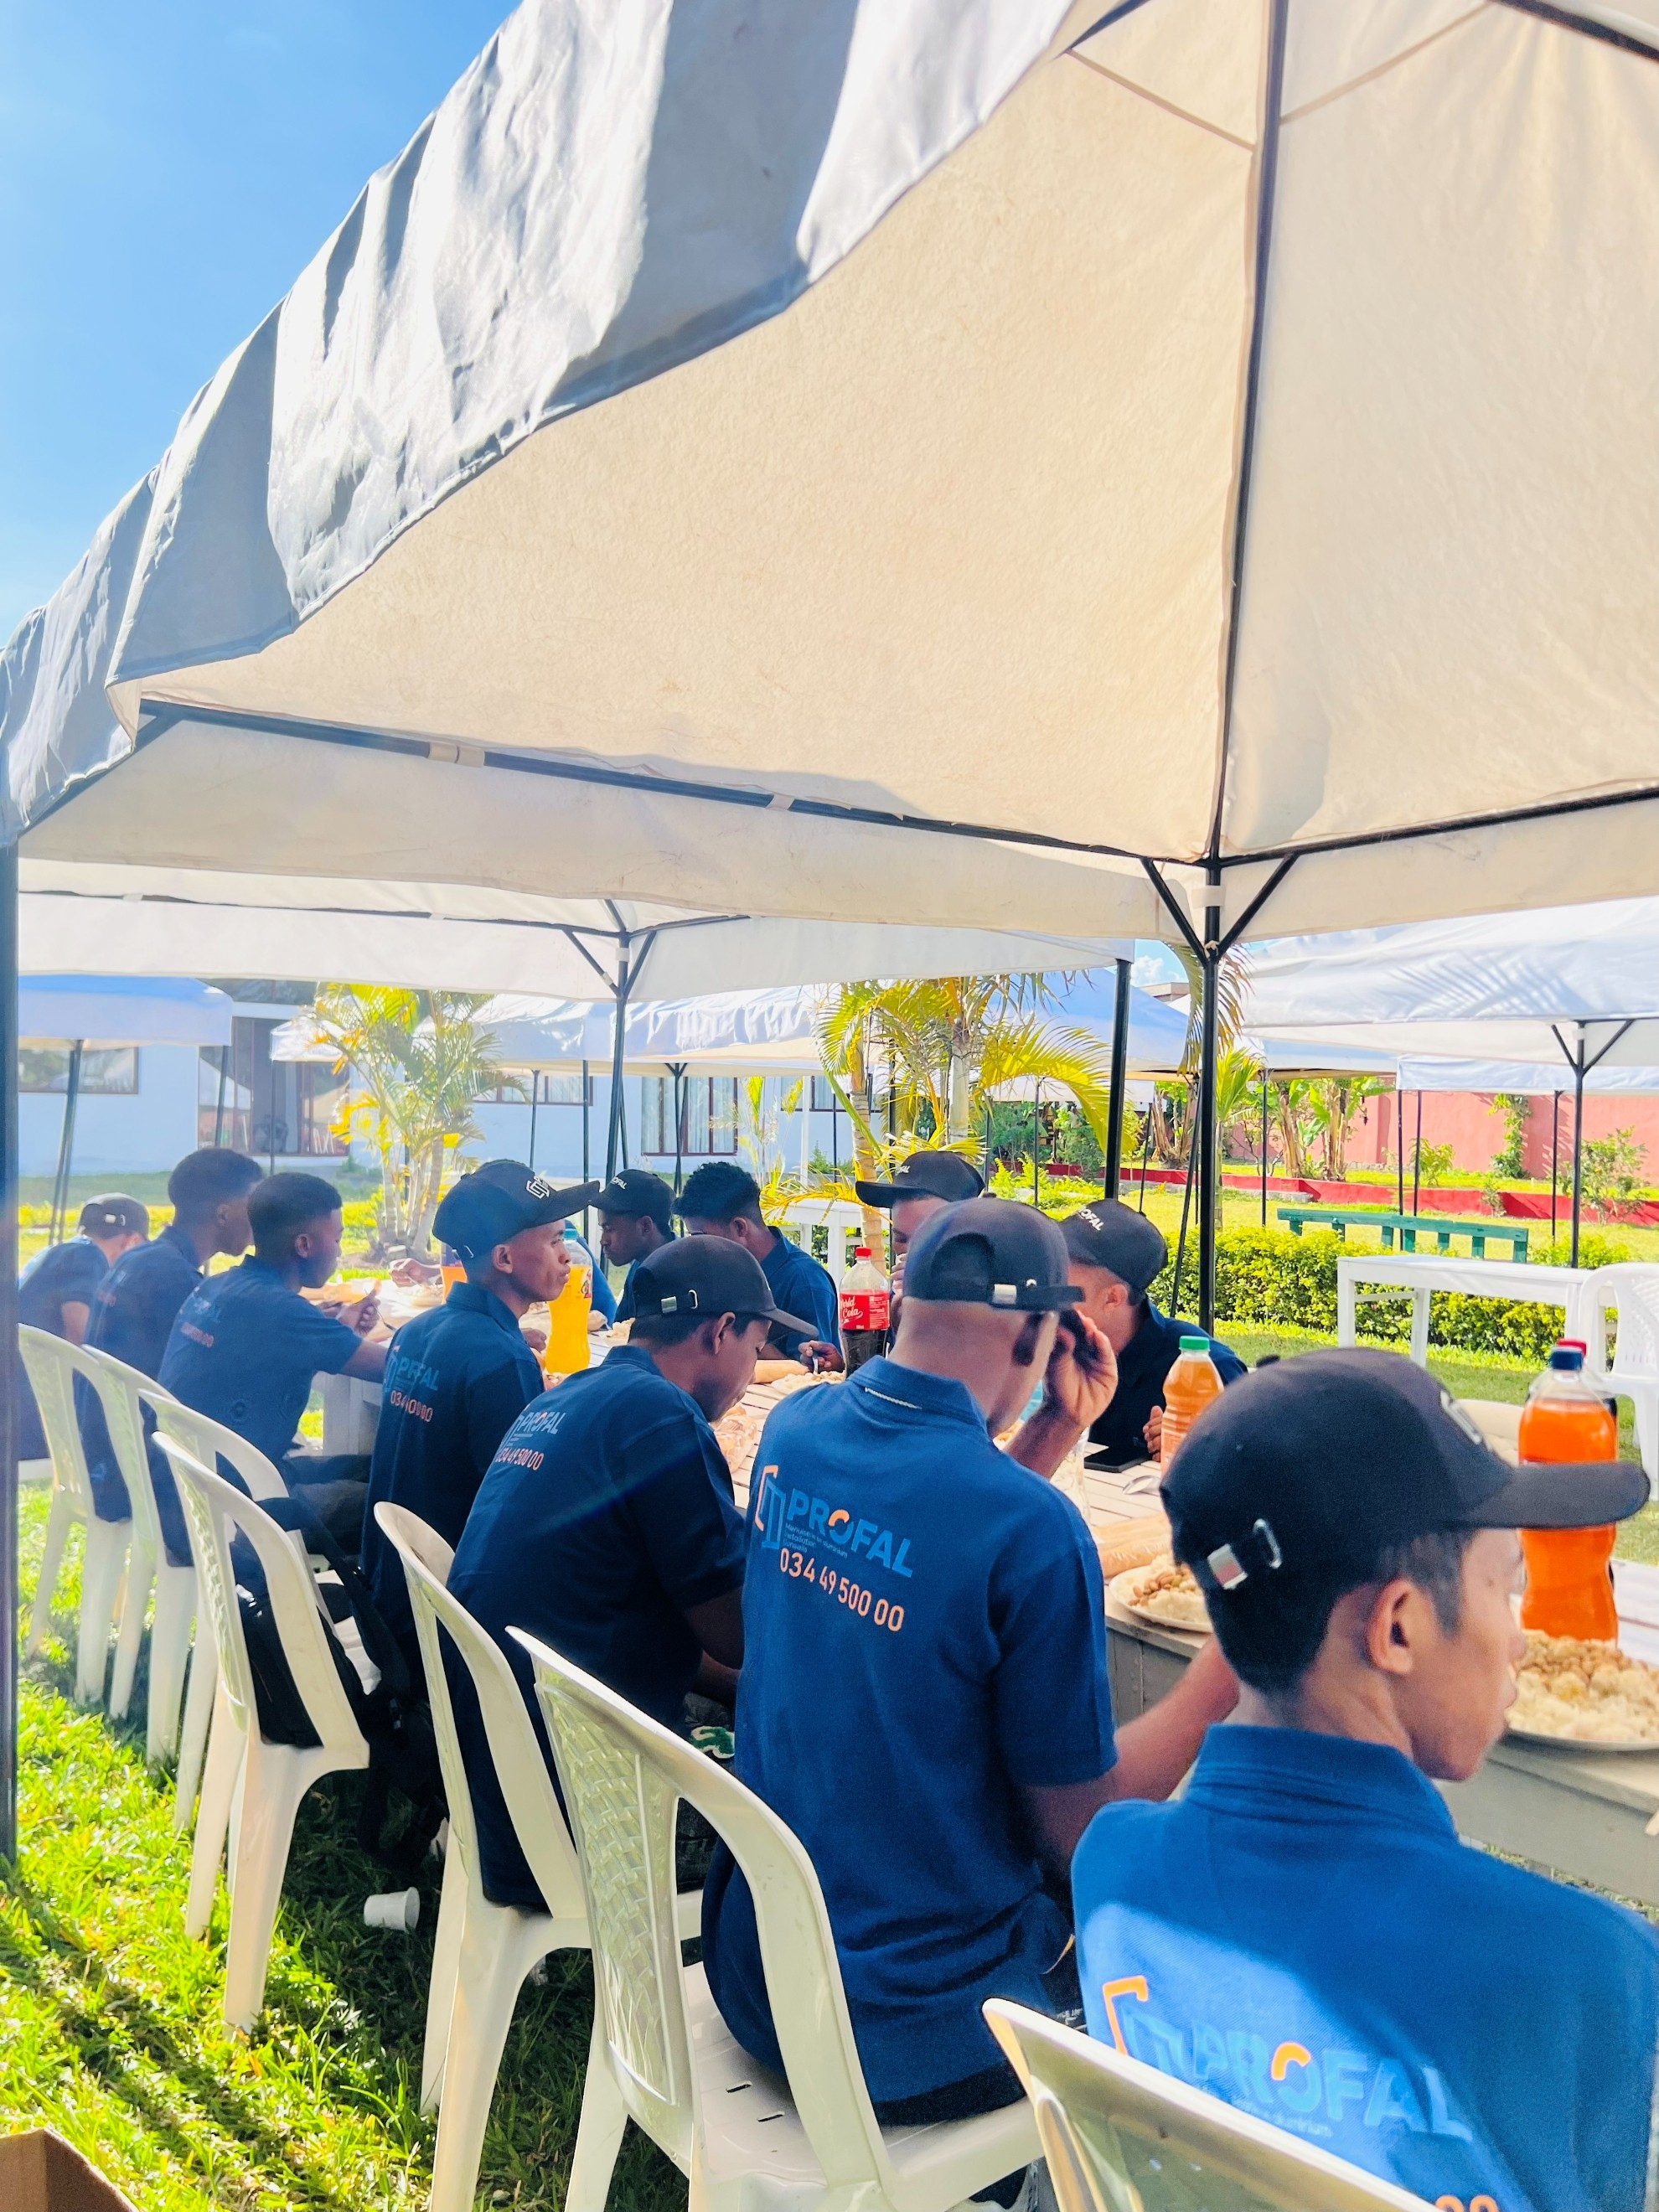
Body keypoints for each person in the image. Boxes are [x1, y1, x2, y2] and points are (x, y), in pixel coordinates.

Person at [702, 1197, 1237, 2179]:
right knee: (1193, 1928)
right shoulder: (1032, 1535)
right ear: (1040, 1335)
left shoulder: (798, 1429)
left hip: (757, 1967)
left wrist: (1050, 1433)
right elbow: (1082, 1839)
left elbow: (930, 1550)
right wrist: (1225, 1670)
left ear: (902, 1298)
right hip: (906, 2026)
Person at [1072, 1349, 1656, 2212]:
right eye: (1505, 1590)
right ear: (1398, 1628)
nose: (1519, 1640)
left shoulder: (1113, 1871)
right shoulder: (1587, 1966)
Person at [445, 1238, 809, 1909]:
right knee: (826, 1802)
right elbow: (740, 1637)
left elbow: (654, 1616)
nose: (751, 1370)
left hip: (498, 1781)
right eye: (757, 1350)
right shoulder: (661, 1417)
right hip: (586, 1818)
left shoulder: (571, 1395)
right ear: (721, 1331)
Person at [359, 1161, 597, 1671]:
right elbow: (524, 1514)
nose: (566, 1257)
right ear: (505, 1258)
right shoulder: (501, 1361)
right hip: (448, 1626)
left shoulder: (417, 1332)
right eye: (554, 1240)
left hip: (387, 1594)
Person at [158, 1171, 387, 1545]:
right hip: (234, 1509)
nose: (339, 1250)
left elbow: (276, 1336)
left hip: (187, 1484)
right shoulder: (283, 1312)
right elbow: (398, 1369)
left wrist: (333, 1331)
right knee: (403, 1502)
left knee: (379, 1468)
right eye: (337, 1238)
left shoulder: (218, 1285)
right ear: (304, 1245)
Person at [80, 1148, 261, 1541]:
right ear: (224, 1213)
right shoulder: (173, 1280)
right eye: (254, 1203)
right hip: (146, 1478)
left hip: (107, 1457)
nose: (261, 1216)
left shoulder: (141, 1259)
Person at [1061, 1199, 1243, 1464]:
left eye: (1062, 1283)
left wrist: (1205, 1447)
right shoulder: (1059, 1348)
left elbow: (1253, 1463)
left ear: (1112, 1298)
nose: (1047, 1290)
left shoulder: (1205, 1368)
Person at [17, 1196, 149, 1461]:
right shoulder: (88, 1257)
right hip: (35, 1418)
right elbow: (80, 1338)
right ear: (132, 1241)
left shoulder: (56, 1252)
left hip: (18, 1401)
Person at [679, 1160, 840, 1367]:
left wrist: (744, 1338)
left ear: (740, 1228)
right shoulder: (725, 1270)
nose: (697, 1248)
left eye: (701, 1237)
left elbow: (813, 1372)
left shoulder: (805, 1282)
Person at [855, 1147, 984, 1290]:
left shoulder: (992, 1292)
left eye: (928, 1239)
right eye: (901, 1239)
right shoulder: (895, 1295)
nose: (911, 1252)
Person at [594, 1167, 676, 1322]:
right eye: (602, 1229)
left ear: (645, 1226)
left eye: (609, 1229)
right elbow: (620, 1327)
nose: (603, 1241)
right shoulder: (641, 1264)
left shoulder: (677, 1277)